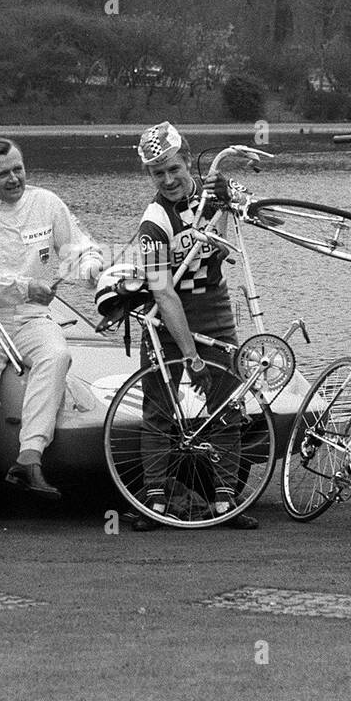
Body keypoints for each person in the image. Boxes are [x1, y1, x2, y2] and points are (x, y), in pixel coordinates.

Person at [0, 137, 104, 531]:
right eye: (3, 174)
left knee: (57, 355)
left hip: (33, 315)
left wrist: (89, 266)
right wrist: (24, 287)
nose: (15, 178)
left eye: (18, 168)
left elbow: (78, 246)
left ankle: (29, 459)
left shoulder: (47, 203)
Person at [130, 121, 259, 532]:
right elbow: (164, 294)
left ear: (188, 160)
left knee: (227, 405)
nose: (168, 180)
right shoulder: (154, 222)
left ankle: (225, 497)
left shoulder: (214, 191)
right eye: (157, 173)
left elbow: (254, 220)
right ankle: (153, 500)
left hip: (214, 305)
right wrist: (191, 356)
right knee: (159, 409)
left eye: (173, 168)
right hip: (167, 313)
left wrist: (235, 200)